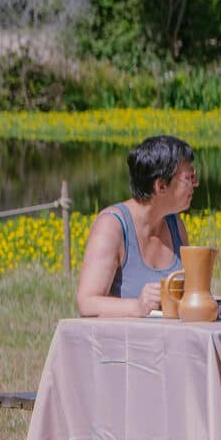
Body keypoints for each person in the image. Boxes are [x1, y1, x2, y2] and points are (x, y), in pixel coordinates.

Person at [74, 135, 195, 318]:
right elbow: (87, 303)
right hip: (122, 343)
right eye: (189, 178)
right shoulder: (112, 226)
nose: (195, 184)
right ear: (161, 186)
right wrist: (137, 307)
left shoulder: (175, 226)